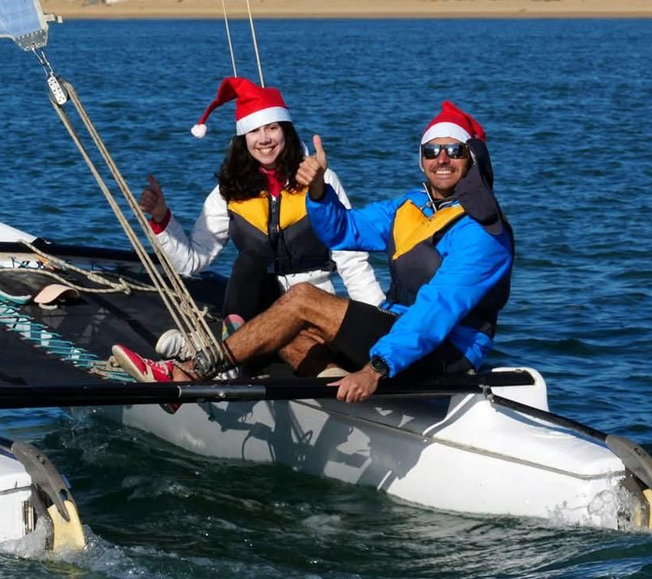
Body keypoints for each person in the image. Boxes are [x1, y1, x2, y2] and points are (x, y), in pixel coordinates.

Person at [116, 99, 513, 403]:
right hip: (398, 330)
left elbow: (436, 309)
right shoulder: (409, 206)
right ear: (421, 159)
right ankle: (336, 384)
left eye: (453, 151)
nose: (441, 159)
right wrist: (319, 191)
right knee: (287, 329)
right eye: (431, 150)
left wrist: (376, 369)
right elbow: (344, 230)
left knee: (301, 299)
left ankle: (191, 371)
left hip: (446, 353)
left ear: (472, 158)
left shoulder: (483, 232)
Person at [141, 77, 384, 348]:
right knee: (250, 260)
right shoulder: (228, 190)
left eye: (272, 128)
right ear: (243, 138)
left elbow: (351, 259)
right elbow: (191, 262)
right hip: (257, 308)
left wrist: (377, 320)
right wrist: (162, 219)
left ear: (286, 132)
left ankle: (210, 352)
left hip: (311, 301)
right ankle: (224, 349)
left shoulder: (320, 180)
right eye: (254, 131)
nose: (264, 139)